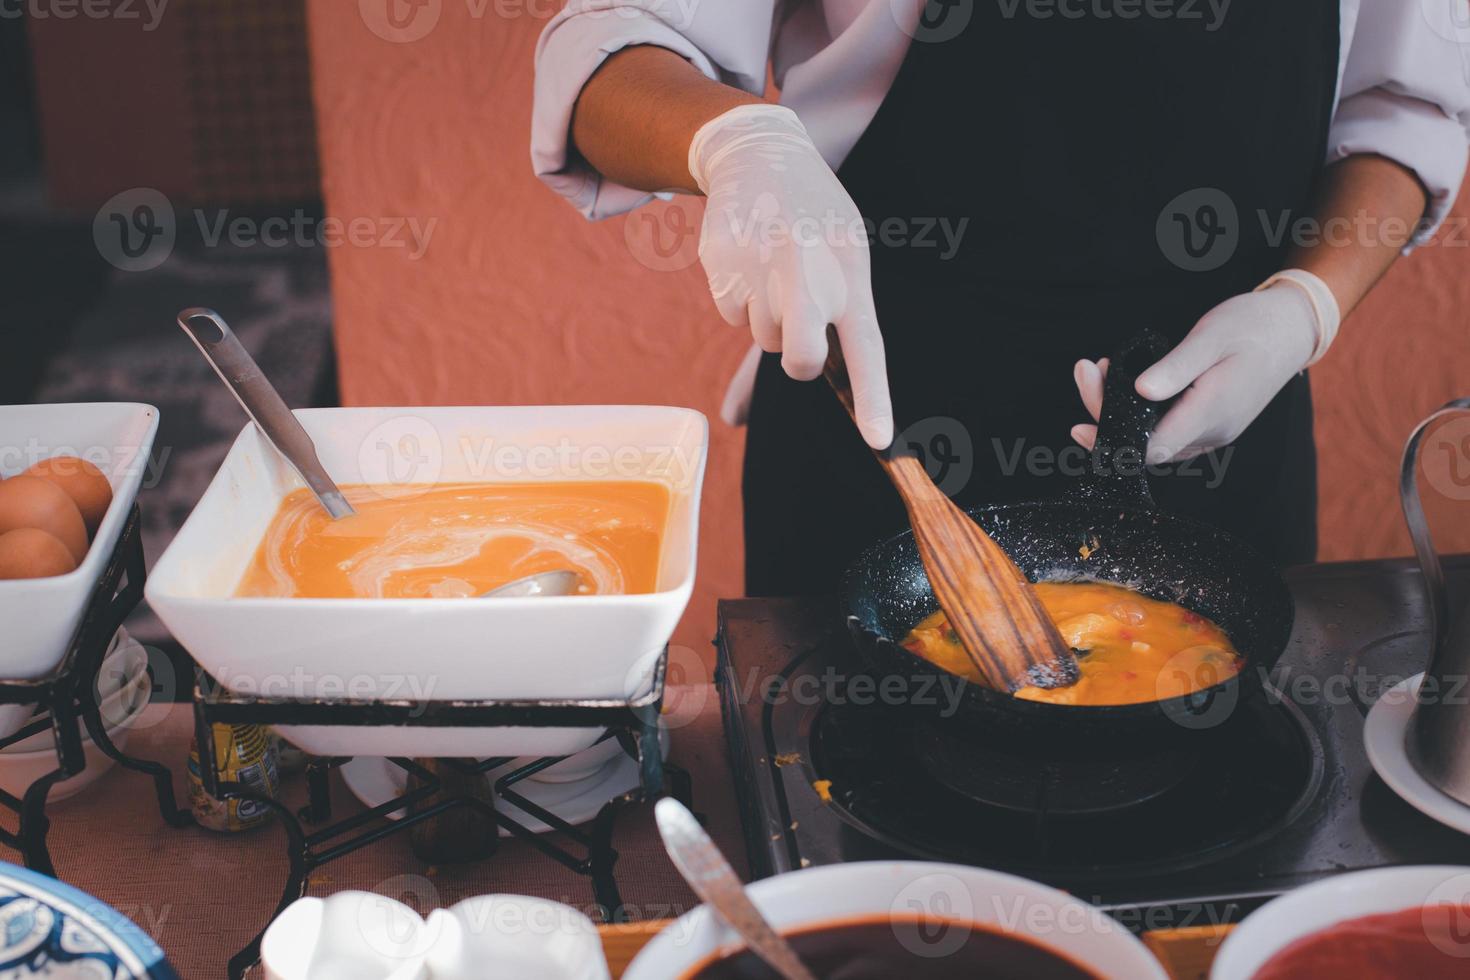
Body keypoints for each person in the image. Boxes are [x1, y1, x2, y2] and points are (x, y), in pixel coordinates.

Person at [532, 0, 1470, 595]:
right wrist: (738, 145)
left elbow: (1401, 115)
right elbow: (610, 52)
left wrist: (1304, 304)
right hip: (877, 424)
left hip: (1223, 419)